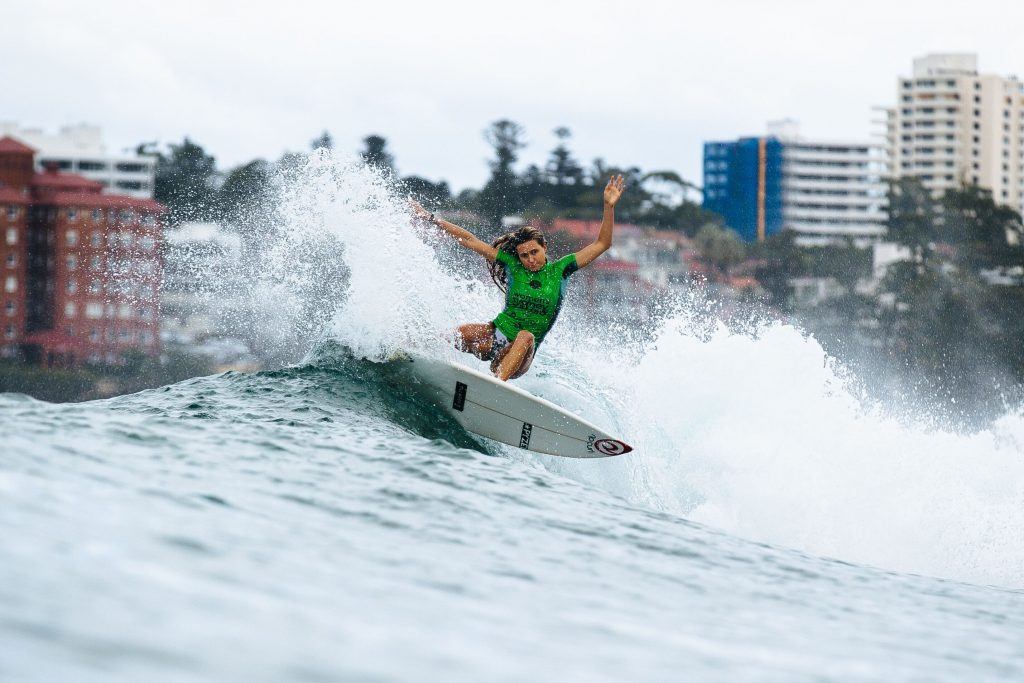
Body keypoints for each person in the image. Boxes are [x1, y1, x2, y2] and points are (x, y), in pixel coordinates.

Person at [410, 174, 626, 381]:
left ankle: (495, 384)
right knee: (458, 333)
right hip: (493, 337)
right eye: (524, 255)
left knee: (525, 335)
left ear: (545, 248)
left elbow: (602, 243)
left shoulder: (561, 269)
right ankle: (409, 352)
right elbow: (469, 239)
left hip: (519, 355)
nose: (530, 259)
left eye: (534, 252)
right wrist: (429, 218)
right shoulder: (513, 265)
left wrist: (609, 206)